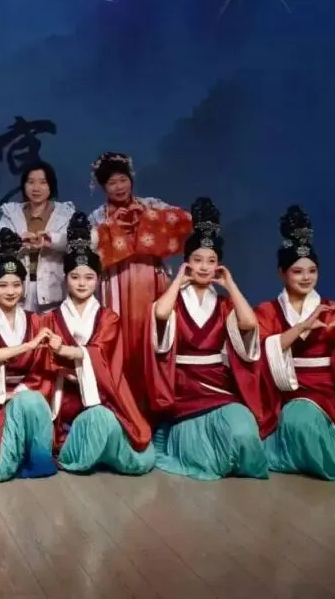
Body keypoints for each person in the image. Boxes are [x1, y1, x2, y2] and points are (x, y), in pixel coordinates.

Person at [144, 197, 271, 480]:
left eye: (211, 261)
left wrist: (230, 285)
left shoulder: (224, 305)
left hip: (218, 386)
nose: (204, 267)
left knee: (244, 432)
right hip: (184, 389)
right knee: (200, 455)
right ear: (187, 263)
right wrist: (178, 280)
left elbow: (250, 323)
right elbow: (161, 314)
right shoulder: (175, 303)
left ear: (219, 266)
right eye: (197, 260)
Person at [40, 213, 155, 475]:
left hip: (102, 394)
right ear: (65, 278)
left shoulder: (108, 318)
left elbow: (102, 355)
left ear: (98, 279)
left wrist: (64, 351)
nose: (82, 283)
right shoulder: (50, 319)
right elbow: (44, 364)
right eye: (75, 277)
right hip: (65, 397)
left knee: (139, 453)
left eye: (89, 277)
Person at [88, 152, 191, 408]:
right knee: (119, 340)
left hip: (152, 280)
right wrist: (111, 228)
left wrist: (148, 221)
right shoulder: (97, 217)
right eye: (112, 183)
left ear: (131, 179)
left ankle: (158, 404)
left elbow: (181, 221)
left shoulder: (151, 206)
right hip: (115, 283)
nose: (119, 187)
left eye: (123, 180)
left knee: (154, 336)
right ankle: (124, 405)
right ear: (103, 187)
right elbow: (87, 248)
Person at [258, 206, 335, 480]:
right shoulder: (267, 311)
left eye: (312, 270)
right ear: (282, 273)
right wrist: (301, 328)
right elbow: (260, 353)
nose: (306, 277)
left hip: (325, 391)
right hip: (282, 390)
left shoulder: (333, 310)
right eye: (297, 271)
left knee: (304, 420)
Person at [0, 229, 58, 482]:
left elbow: (42, 368)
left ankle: (36, 458)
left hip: (25, 396)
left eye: (16, 284)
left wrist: (20, 392)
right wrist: (27, 347)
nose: (10, 291)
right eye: (3, 285)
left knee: (31, 401)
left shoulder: (34, 320)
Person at [0, 161, 75, 314]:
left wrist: (52, 240)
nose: (36, 188)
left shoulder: (65, 213)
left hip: (54, 291)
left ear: (51, 185)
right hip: (19, 291)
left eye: (42, 182)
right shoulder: (12, 213)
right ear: (24, 185)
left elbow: (78, 242)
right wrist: (16, 241)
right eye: (31, 182)